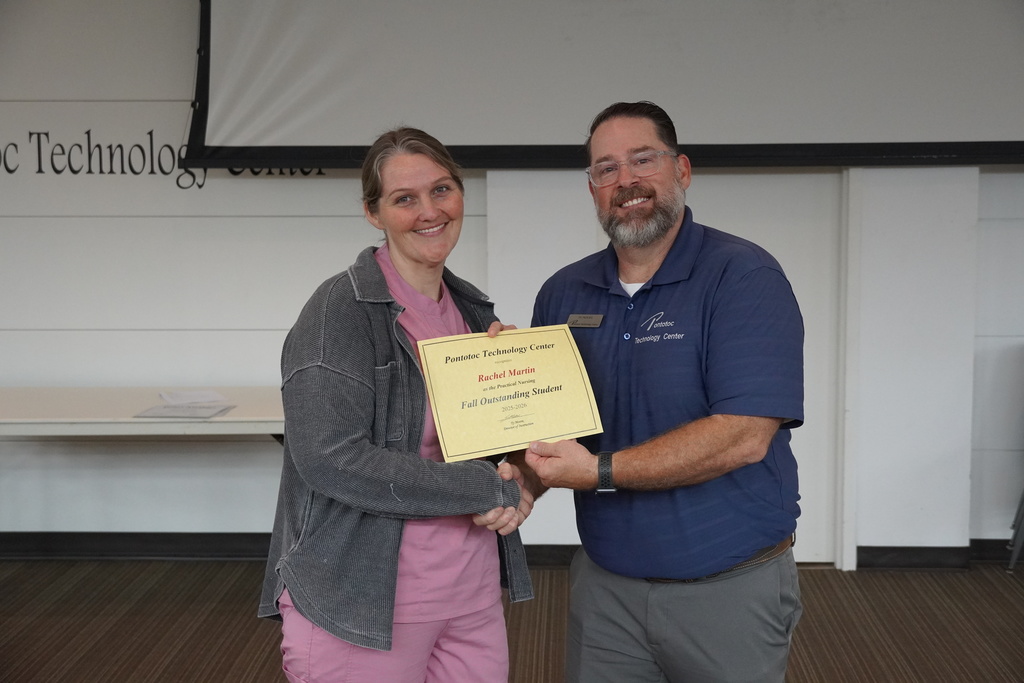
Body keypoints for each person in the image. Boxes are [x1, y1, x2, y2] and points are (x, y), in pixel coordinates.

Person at [525, 101, 804, 683]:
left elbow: (744, 437)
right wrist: (517, 468)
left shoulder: (743, 277)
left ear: (681, 170)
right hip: (605, 590)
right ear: (593, 189)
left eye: (642, 159)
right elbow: (554, 426)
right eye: (605, 169)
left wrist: (599, 471)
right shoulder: (562, 293)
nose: (625, 181)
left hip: (727, 588)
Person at [258, 127, 534, 683]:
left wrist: (521, 418)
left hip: (470, 593)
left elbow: (485, 450)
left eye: (442, 190)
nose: (429, 211)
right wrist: (485, 488)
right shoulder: (339, 313)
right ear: (373, 213)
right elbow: (331, 459)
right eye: (404, 199)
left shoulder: (474, 312)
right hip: (361, 603)